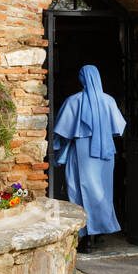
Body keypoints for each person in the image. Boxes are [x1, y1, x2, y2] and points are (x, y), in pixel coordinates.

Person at [51, 64, 125, 252]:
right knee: (102, 193)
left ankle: (86, 238)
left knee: (79, 191)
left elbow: (62, 131)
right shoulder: (108, 101)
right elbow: (118, 128)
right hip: (105, 155)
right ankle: (97, 232)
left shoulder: (74, 101)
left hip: (81, 153)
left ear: (82, 78)